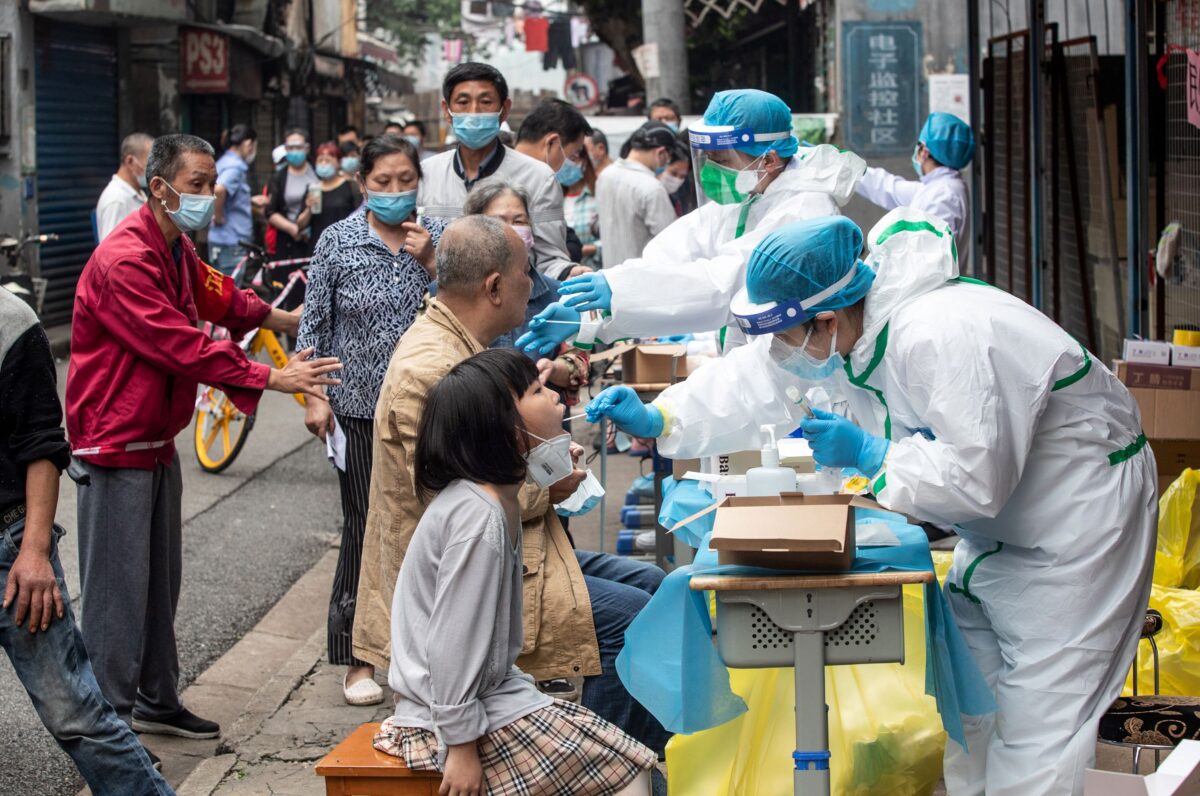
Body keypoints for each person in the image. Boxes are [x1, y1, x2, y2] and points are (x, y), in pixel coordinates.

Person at [586, 210, 1158, 796]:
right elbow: (763, 379)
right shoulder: (847, 328)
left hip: (1079, 518)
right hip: (999, 529)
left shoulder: (942, 334)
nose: (782, 351)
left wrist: (873, 454)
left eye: (789, 335)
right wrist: (664, 416)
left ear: (827, 320)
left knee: (1042, 720)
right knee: (976, 709)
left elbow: (974, 477)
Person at [353, 216, 670, 757]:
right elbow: (465, 499)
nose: (535, 283)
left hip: (521, 544)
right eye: (527, 272)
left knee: (657, 588)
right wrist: (554, 480)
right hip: (469, 568)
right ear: (495, 286)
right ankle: (601, 761)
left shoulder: (466, 346)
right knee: (632, 622)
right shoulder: (432, 369)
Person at [66, 133, 342, 740]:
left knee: (160, 585)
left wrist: (285, 317)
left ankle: (156, 699)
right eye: (197, 184)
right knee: (117, 595)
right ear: (160, 188)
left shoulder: (174, 248)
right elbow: (179, 342)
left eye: (211, 182)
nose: (209, 194)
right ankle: (110, 728)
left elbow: (219, 295)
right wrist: (274, 376)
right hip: (115, 442)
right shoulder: (126, 259)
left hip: (153, 437)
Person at [372, 348, 656, 795]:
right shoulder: (478, 517)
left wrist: (551, 466)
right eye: (538, 390)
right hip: (445, 721)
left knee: (632, 758)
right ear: (508, 427)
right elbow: (452, 644)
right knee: (630, 772)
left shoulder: (493, 496)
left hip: (484, 700)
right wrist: (462, 747)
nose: (557, 397)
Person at [517, 88, 865, 356]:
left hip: (801, 369)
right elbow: (670, 254)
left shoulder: (805, 210)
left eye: (721, 158)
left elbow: (722, 284)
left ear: (769, 159)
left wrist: (617, 292)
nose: (712, 169)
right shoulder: (746, 198)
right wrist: (592, 311)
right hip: (749, 364)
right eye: (708, 158)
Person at [1, 286, 174, 793]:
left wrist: (33, 552)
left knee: (75, 713)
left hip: (12, 553)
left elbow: (42, 446)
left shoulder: (12, 322)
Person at [298, 135, 442, 706]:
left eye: (404, 179)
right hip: (357, 411)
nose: (394, 191)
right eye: (381, 181)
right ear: (363, 184)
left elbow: (462, 308)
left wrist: (431, 262)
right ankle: (357, 659)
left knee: (430, 529)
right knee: (364, 527)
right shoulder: (337, 241)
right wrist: (315, 397)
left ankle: (426, 655)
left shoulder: (436, 240)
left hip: (429, 411)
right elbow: (313, 324)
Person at [418, 63, 583, 282]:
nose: (474, 112)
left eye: (485, 102)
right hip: (442, 307)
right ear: (447, 111)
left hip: (515, 309)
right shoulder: (426, 174)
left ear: (504, 109)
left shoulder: (538, 177)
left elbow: (549, 259)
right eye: (463, 102)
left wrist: (569, 273)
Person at [464, 179, 590, 406]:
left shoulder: (556, 294)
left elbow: (579, 360)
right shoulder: (454, 294)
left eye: (519, 221)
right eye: (499, 222)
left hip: (544, 426)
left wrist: (555, 368)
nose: (511, 230)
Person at [856, 111, 973, 243]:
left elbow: (927, 255)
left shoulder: (944, 195)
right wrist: (846, 167)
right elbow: (887, 187)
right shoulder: (937, 188)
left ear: (924, 151)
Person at [595, 122, 677, 269]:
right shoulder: (652, 188)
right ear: (661, 152)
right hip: (642, 281)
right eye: (668, 158)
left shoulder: (605, 176)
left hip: (609, 277)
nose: (666, 163)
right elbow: (670, 243)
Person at [266, 128, 319, 315]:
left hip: (311, 241)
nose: (294, 151)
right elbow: (270, 211)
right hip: (286, 242)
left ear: (307, 148)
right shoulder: (279, 176)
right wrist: (291, 228)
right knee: (284, 292)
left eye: (298, 146)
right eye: (290, 147)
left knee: (307, 293)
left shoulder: (316, 173)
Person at [209, 124, 259, 275]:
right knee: (228, 294)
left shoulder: (222, 162)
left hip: (220, 239)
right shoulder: (236, 167)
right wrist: (218, 217)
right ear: (249, 144)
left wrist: (249, 201)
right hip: (231, 240)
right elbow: (219, 190)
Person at [96, 133, 153, 241]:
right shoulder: (116, 200)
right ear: (130, 161)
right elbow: (111, 251)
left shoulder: (137, 193)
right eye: (150, 164)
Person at [308, 141, 363, 245]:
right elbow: (301, 225)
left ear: (338, 162)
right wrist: (308, 208)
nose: (323, 163)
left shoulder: (351, 186)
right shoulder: (313, 188)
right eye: (320, 160)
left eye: (328, 160)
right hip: (318, 244)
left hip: (346, 243)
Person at [563, 155, 601, 270]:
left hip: (593, 270)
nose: (566, 166)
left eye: (572, 159)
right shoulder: (553, 200)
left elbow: (613, 238)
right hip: (563, 274)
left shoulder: (597, 197)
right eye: (563, 160)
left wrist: (590, 249)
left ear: (584, 162)